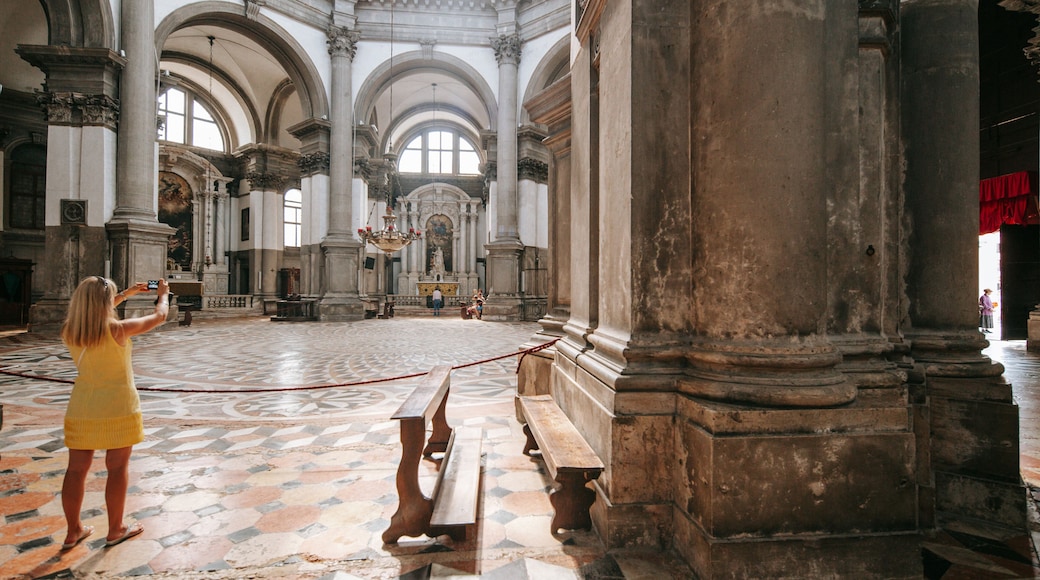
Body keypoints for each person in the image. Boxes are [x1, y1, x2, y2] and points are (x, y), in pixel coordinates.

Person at [59, 276, 169, 550]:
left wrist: (127, 293)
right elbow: (160, 316)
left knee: (75, 471)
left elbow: (94, 310)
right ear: (106, 303)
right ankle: (116, 528)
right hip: (118, 406)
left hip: (82, 406)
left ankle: (73, 531)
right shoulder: (118, 330)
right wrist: (163, 294)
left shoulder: (70, 330)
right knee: (117, 468)